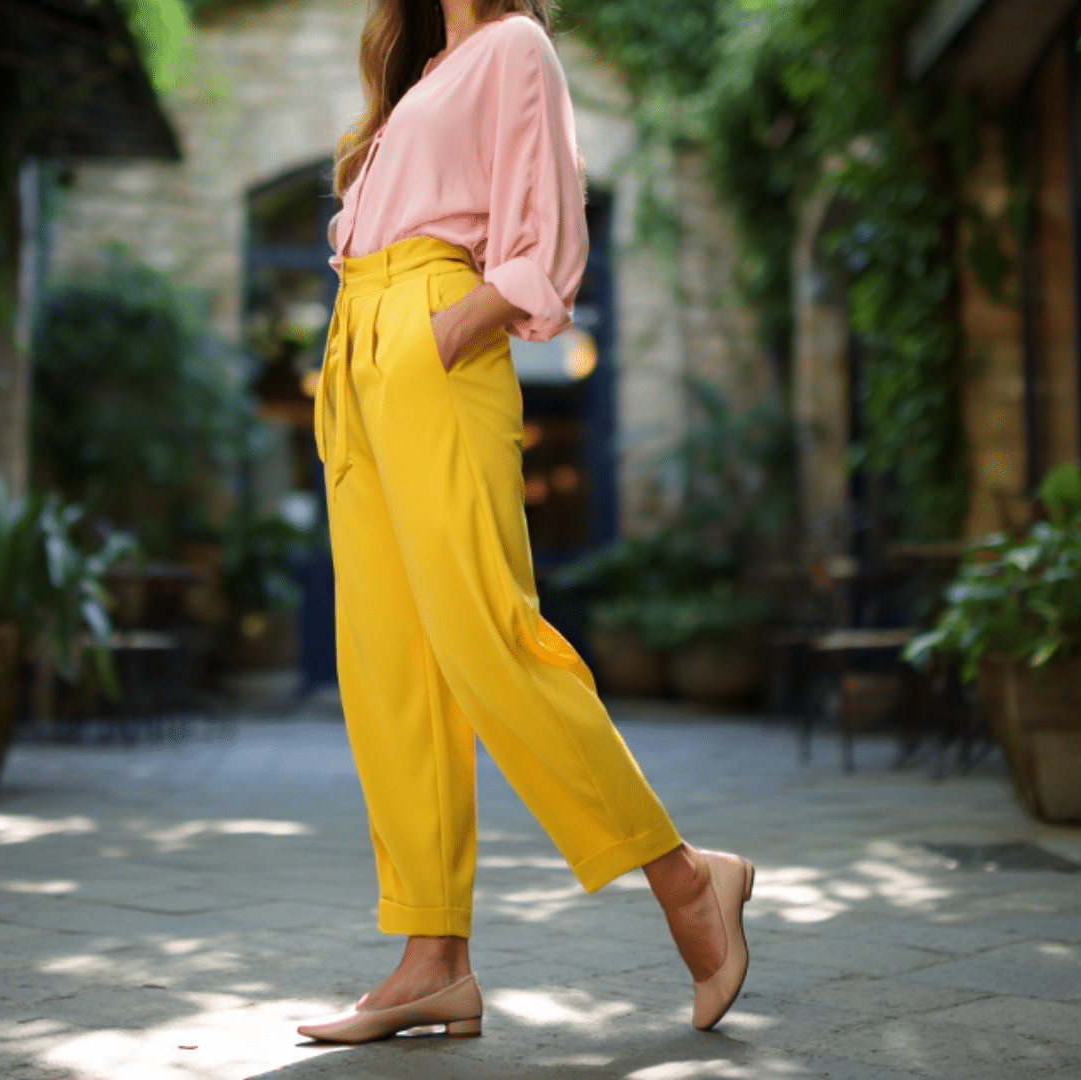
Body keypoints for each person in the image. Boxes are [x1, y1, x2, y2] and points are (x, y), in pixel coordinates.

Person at [295, 0, 755, 1044]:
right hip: (358, 350)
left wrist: (464, 317)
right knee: (388, 668)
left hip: (429, 338)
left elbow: (543, 220)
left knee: (488, 640)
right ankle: (431, 959)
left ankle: (687, 880)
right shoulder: (424, 73)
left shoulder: (514, 45)